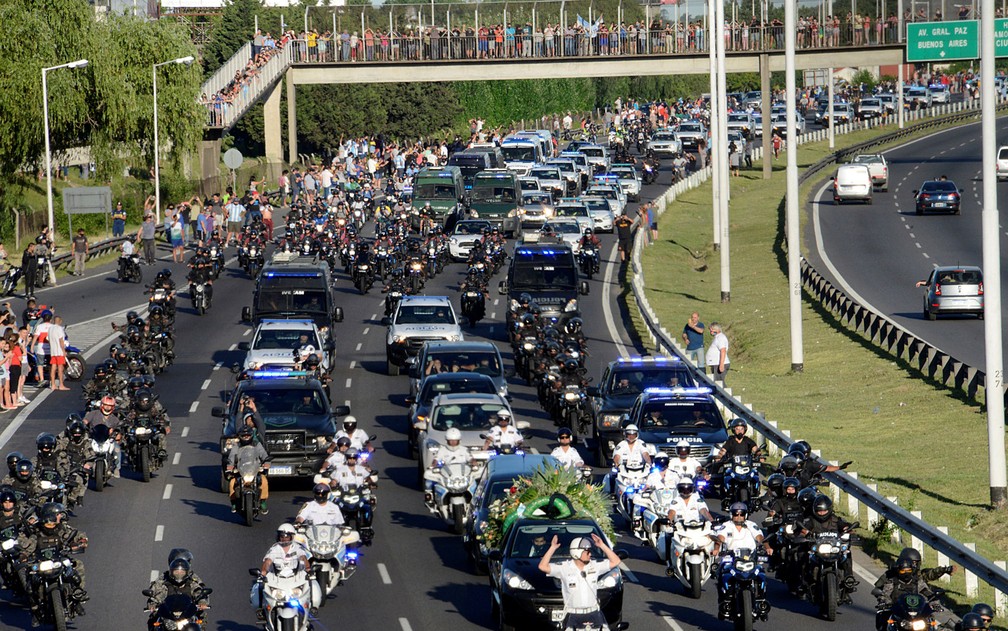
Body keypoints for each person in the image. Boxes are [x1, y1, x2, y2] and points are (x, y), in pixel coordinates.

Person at [536, 533, 622, 631]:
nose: (590, 554)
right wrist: (552, 548)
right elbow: (542, 566)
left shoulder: (595, 566)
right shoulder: (564, 567)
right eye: (587, 552)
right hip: (573, 615)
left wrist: (602, 545)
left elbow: (616, 561)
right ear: (576, 552)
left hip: (593, 613)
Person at [712, 502, 766, 619]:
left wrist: (767, 546)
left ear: (745, 515)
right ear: (732, 515)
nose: (739, 516)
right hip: (731, 558)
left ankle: (761, 602)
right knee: (722, 574)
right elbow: (720, 538)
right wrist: (716, 549)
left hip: (750, 558)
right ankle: (724, 603)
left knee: (761, 573)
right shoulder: (726, 525)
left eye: (742, 514)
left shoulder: (751, 525)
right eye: (736, 514)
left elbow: (759, 537)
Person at [800, 495, 858, 604]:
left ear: (829, 509)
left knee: (847, 554)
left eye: (824, 511)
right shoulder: (811, 520)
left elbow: (845, 527)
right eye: (819, 511)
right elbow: (803, 528)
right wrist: (805, 532)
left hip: (834, 548)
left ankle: (848, 580)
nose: (821, 513)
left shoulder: (836, 520)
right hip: (818, 549)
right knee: (804, 555)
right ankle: (805, 582)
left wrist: (848, 531)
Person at [145, 549, 210, 631]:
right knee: (154, 621)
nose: (179, 574)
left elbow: (199, 590)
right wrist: (153, 604)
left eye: (182, 572)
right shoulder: (164, 580)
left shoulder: (192, 580)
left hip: (187, 616)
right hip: (168, 616)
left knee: (199, 621)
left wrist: (202, 602)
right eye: (176, 572)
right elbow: (155, 592)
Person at [226, 426, 270, 515]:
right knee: (232, 483)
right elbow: (231, 457)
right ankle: (234, 503)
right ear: (240, 436)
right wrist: (230, 466)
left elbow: (264, 454)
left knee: (264, 481)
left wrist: (266, 462)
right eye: (244, 435)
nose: (246, 437)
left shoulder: (256, 444)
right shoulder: (236, 446)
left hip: (254, 470)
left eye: (248, 435)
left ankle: (262, 502)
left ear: (251, 435)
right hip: (241, 470)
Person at [47, 315, 69, 390]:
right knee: (60, 368)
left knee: (53, 367)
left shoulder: (50, 328)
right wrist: (63, 351)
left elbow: (48, 339)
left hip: (53, 351)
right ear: (60, 321)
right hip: (59, 351)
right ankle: (61, 385)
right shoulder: (59, 329)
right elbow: (61, 340)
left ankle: (53, 384)